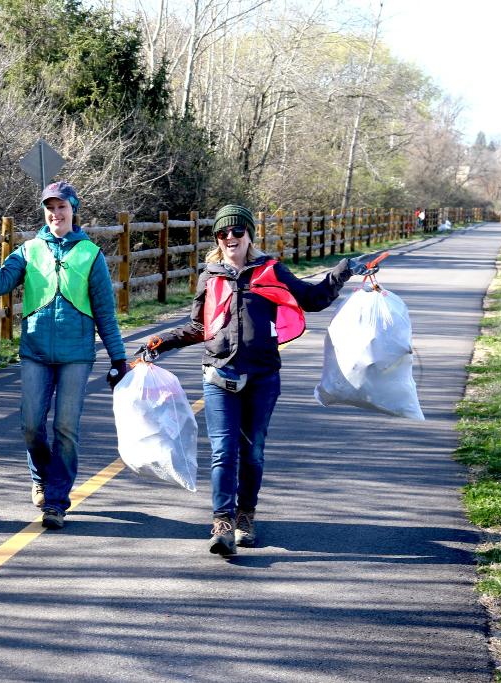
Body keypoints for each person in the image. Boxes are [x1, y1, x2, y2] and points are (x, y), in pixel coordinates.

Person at [136, 204, 378, 556]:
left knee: (253, 453)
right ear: (217, 238)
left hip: (263, 376)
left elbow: (312, 299)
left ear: (250, 234)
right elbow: (200, 327)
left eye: (237, 231)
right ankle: (222, 521)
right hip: (219, 374)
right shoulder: (210, 276)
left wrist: (344, 271)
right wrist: (158, 343)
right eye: (223, 233)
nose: (230, 238)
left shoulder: (271, 271)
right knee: (224, 452)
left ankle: (245, 516)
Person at [0, 181, 128, 530]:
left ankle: (56, 501)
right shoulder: (29, 249)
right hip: (35, 351)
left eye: (62, 207)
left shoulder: (91, 255)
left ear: (73, 210)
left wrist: (118, 359)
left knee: (66, 428)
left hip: (76, 355)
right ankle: (41, 476)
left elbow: (106, 314)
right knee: (31, 425)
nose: (55, 213)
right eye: (50, 207)